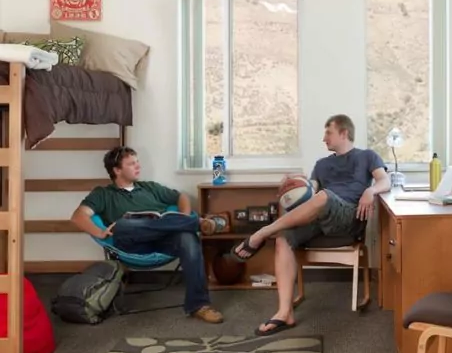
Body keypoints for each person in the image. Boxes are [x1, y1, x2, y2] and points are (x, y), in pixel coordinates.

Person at [230, 114, 391, 336]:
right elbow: (310, 195)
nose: (324, 138)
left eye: (328, 133)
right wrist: (291, 186)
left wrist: (370, 190)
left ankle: (261, 233)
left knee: (324, 196)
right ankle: (284, 312)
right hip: (321, 216)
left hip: (348, 217)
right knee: (284, 238)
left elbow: (385, 180)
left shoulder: (366, 156)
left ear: (344, 133)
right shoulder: (321, 165)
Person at [70, 146, 224, 324]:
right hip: (132, 242)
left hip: (163, 240)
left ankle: (199, 306)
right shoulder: (103, 194)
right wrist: (100, 232)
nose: (138, 166)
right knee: (123, 225)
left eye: (137, 162)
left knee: (188, 239)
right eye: (131, 163)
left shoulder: (149, 187)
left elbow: (181, 197)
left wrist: (181, 216)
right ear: (117, 170)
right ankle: (197, 223)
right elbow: (78, 216)